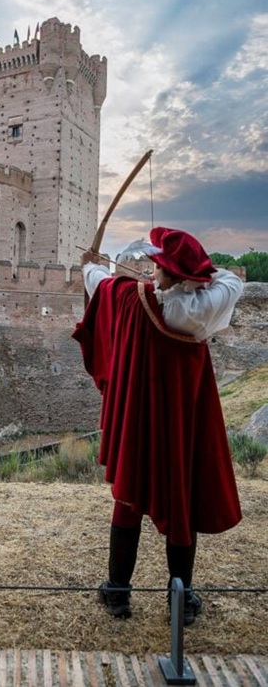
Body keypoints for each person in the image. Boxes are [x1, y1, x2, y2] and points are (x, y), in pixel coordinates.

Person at [72, 227, 244, 625]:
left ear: (173, 273)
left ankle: (117, 592)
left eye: (159, 267)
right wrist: (191, 270)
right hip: (184, 423)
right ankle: (179, 600)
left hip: (140, 420)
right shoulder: (203, 308)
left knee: (129, 495)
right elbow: (230, 279)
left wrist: (88, 267)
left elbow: (101, 284)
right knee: (180, 498)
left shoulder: (134, 301)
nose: (151, 272)